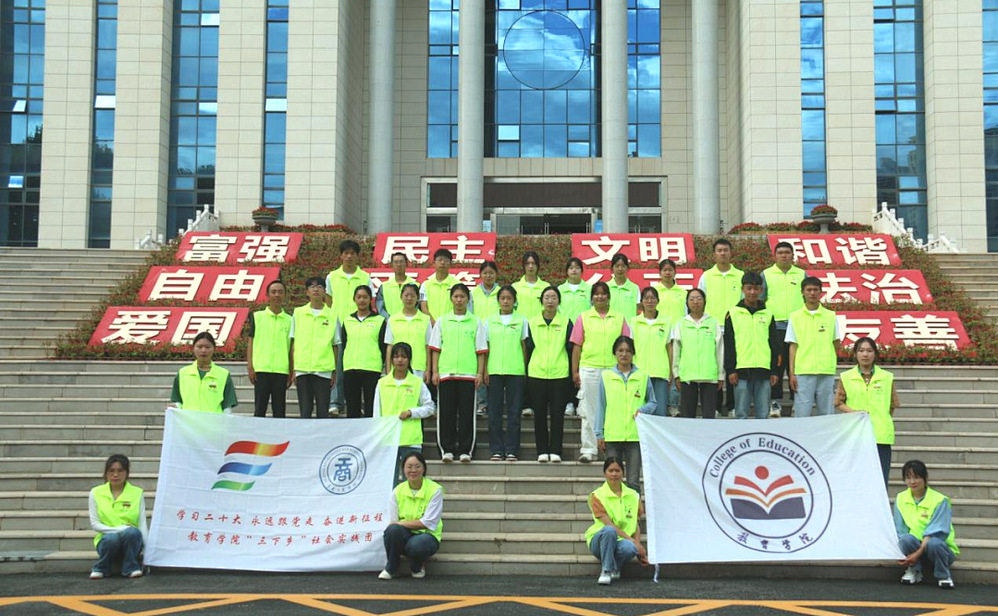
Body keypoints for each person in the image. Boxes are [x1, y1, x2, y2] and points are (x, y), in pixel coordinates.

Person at [570, 282, 631, 463]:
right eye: (596, 294)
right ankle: (589, 449)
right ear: (591, 298)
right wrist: (575, 371)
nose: (600, 297)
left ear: (608, 297)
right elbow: (577, 346)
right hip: (589, 368)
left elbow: (627, 345)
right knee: (589, 410)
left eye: (603, 293)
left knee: (614, 410)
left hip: (614, 370)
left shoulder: (619, 318)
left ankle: (612, 449)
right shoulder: (583, 317)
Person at [429, 284, 487, 463]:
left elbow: (481, 350)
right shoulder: (442, 321)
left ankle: (465, 450)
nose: (459, 300)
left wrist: (479, 373)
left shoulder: (476, 322)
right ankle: (446, 449)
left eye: (462, 297)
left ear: (468, 299)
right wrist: (435, 371)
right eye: (456, 296)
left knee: (467, 415)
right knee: (446, 414)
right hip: (446, 374)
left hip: (468, 375)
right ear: (451, 299)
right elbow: (435, 349)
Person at [835, 337, 899, 486]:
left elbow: (892, 405)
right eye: (861, 350)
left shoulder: (886, 377)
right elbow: (838, 402)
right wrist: (855, 413)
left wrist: (881, 420)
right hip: (856, 436)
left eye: (869, 351)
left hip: (881, 437)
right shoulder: (846, 377)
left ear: (875, 353)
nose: (865, 354)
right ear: (855, 354)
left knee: (880, 480)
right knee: (857, 479)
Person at [595, 336, 656, 491]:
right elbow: (601, 405)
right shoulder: (606, 376)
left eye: (628, 351)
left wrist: (643, 410)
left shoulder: (643, 376)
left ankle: (635, 508)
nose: (624, 354)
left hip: (635, 436)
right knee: (613, 480)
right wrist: (599, 433)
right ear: (615, 353)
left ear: (633, 353)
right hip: (612, 435)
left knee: (633, 482)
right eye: (620, 350)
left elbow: (653, 402)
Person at [374, 343, 436, 485]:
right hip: (389, 440)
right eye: (396, 357)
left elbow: (430, 407)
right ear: (391, 360)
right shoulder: (382, 383)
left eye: (404, 356)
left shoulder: (417, 382)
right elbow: (377, 414)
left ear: (409, 359)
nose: (400, 360)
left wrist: (412, 412)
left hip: (411, 440)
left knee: (413, 481)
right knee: (390, 482)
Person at [723, 272, 780, 420]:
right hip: (741, 370)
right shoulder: (733, 314)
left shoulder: (768, 314)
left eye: (756, 289)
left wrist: (774, 370)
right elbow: (729, 344)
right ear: (742, 289)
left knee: (763, 414)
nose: (752, 292)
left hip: (764, 370)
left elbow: (774, 344)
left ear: (761, 290)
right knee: (741, 413)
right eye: (749, 288)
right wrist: (731, 370)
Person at [379, 451, 443, 580]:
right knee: (392, 531)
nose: (413, 470)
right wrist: (397, 525)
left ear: (424, 468)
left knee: (416, 544)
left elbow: (428, 523)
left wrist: (400, 524)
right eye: (409, 467)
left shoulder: (435, 490)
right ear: (403, 469)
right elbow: (393, 521)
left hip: (427, 535)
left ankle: (417, 567)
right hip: (405, 534)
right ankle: (391, 568)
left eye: (417, 466)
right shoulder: (398, 490)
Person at [895, 460, 959, 588]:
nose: (912, 482)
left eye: (916, 477)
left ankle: (943, 575)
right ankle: (914, 570)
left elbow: (935, 533)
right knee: (905, 539)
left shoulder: (940, 500)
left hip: (939, 551)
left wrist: (916, 554)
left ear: (925, 478)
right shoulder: (901, 498)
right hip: (914, 548)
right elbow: (900, 529)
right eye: (908, 478)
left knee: (934, 543)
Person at [585, 457, 648, 586]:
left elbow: (635, 523)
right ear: (605, 473)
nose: (614, 474)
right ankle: (606, 571)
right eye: (611, 470)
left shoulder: (633, 495)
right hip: (601, 540)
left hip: (621, 541)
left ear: (623, 473)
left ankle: (615, 568)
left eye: (617, 470)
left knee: (631, 548)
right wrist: (632, 540)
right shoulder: (597, 495)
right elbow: (609, 524)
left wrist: (637, 543)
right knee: (609, 531)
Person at [526, 286, 572, 463]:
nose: (550, 301)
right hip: (536, 373)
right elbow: (528, 348)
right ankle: (542, 451)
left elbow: (570, 348)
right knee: (539, 415)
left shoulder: (566, 322)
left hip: (559, 374)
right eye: (547, 297)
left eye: (554, 297)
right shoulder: (532, 323)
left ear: (559, 301)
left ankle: (556, 451)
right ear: (541, 301)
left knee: (557, 415)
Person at [326, 239, 371, 416]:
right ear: (341, 256)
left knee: (357, 364)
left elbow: (369, 299)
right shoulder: (332, 276)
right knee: (337, 364)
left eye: (352, 253)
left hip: (358, 323)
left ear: (357, 256)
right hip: (337, 324)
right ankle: (336, 401)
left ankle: (356, 401)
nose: (349, 256)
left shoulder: (365, 277)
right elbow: (329, 301)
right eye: (346, 253)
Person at [698, 238, 743, 416]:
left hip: (735, 328)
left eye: (725, 250)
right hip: (712, 328)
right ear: (714, 254)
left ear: (731, 253)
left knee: (733, 366)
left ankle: (732, 406)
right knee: (714, 367)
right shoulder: (706, 276)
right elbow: (699, 301)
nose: (723, 253)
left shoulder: (740, 275)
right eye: (719, 250)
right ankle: (715, 406)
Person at [484, 285, 529, 461]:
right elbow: (486, 347)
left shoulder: (521, 320)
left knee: (514, 412)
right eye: (502, 298)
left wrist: (524, 369)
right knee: (494, 413)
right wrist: (484, 369)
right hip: (494, 370)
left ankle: (511, 450)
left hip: (515, 370)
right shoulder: (489, 321)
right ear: (498, 301)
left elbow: (524, 347)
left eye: (509, 298)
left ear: (514, 301)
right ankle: (496, 449)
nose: (505, 301)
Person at [762, 241, 806, 418]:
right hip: (776, 326)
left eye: (787, 252)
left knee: (796, 366)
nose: (784, 255)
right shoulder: (766, 274)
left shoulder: (801, 274)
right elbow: (761, 299)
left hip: (798, 326)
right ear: (775, 256)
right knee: (777, 365)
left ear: (793, 255)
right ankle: (775, 402)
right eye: (780, 253)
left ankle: (797, 402)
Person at [787, 276, 841, 417]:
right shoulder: (795, 317)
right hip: (803, 371)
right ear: (802, 292)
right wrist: (792, 373)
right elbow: (793, 346)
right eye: (809, 290)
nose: (812, 293)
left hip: (826, 371)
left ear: (820, 292)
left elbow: (836, 342)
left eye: (815, 290)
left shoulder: (830, 316)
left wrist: (829, 362)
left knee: (827, 413)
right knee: (802, 412)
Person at [89, 454, 148, 579]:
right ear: (106, 473)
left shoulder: (137, 493)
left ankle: (131, 567)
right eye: (111, 471)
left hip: (131, 540)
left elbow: (142, 523)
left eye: (120, 471)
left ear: (127, 473)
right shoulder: (96, 493)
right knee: (112, 538)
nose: (115, 475)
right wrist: (120, 529)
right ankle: (101, 568)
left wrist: (148, 551)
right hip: (107, 541)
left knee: (132, 532)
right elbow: (95, 524)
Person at [671, 288, 723, 419]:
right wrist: (676, 374)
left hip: (709, 375)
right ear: (687, 303)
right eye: (692, 299)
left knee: (709, 416)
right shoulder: (681, 324)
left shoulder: (713, 322)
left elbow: (719, 350)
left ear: (704, 302)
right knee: (687, 416)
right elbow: (676, 350)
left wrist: (720, 374)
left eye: (699, 299)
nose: (695, 302)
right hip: (688, 375)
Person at [292, 276, 339, 419]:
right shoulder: (298, 313)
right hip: (302, 368)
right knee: (305, 411)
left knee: (323, 412)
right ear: (307, 292)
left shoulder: (332, 315)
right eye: (312, 287)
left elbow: (335, 345)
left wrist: (334, 371)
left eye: (319, 286)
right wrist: (293, 368)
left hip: (324, 369)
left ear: (325, 291)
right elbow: (293, 342)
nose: (316, 290)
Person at [246, 280, 293, 418]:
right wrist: (250, 366)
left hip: (281, 370)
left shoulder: (290, 320)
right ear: (267, 295)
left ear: (285, 295)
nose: (277, 295)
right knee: (260, 409)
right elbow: (251, 342)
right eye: (273, 292)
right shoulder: (257, 317)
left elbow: (292, 347)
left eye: (280, 292)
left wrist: (291, 370)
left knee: (279, 411)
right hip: (261, 369)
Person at [340, 285, 387, 418]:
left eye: (365, 297)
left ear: (370, 299)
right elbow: (344, 343)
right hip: (351, 368)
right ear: (354, 299)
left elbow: (383, 346)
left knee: (371, 408)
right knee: (352, 408)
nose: (362, 300)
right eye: (359, 297)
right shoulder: (347, 320)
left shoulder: (379, 321)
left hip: (371, 369)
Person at [513, 251, 547, 419]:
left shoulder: (545, 287)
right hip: (521, 332)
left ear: (538, 266)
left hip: (541, 331)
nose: (531, 266)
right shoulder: (516, 287)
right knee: (524, 367)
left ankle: (538, 403)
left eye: (534, 263)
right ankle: (525, 404)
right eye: (528, 263)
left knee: (538, 368)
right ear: (524, 266)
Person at [169, 331, 237, 413]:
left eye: (208, 347)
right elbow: (178, 402)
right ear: (193, 348)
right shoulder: (183, 373)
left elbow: (227, 407)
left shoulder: (223, 374)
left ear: (214, 349)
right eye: (199, 347)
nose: (203, 350)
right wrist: (174, 408)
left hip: (213, 421)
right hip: (188, 421)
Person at [631, 287, 673, 417]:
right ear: (641, 302)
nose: (650, 301)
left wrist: (671, 371)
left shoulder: (666, 321)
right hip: (640, 372)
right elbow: (630, 348)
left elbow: (669, 348)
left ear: (658, 301)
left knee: (660, 411)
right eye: (646, 298)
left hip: (660, 372)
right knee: (641, 412)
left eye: (653, 298)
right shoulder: (634, 322)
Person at [557, 257, 590, 417]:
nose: (574, 270)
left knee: (582, 369)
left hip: (586, 333)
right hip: (565, 333)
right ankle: (569, 402)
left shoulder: (589, 289)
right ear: (567, 271)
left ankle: (581, 402)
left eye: (577, 267)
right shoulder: (560, 290)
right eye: (571, 268)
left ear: (582, 271)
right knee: (569, 369)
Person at [384, 283, 432, 382]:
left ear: (418, 298)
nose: (409, 298)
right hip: (397, 367)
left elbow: (428, 347)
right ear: (401, 297)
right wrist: (388, 371)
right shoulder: (393, 319)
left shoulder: (425, 320)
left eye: (413, 296)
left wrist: (428, 369)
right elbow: (389, 347)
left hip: (418, 367)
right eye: (406, 295)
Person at [472, 261, 501, 416]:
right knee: (480, 367)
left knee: (493, 367)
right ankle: (482, 403)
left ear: (496, 274)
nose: (488, 276)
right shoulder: (473, 293)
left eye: (491, 273)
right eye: (485, 273)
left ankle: (495, 403)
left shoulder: (502, 292)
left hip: (498, 334)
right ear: (480, 275)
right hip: (478, 335)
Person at [420, 248, 462, 323]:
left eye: (446, 260)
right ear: (434, 263)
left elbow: (461, 306)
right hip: (431, 325)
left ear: (450, 264)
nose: (442, 263)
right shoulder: (426, 285)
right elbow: (424, 308)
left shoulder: (457, 284)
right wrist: (433, 324)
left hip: (451, 324)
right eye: (440, 260)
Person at [376, 252, 416, 318]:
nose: (399, 264)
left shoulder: (415, 285)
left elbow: (418, 306)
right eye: (396, 262)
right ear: (391, 265)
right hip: (389, 322)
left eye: (401, 262)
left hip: (410, 322)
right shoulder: (384, 287)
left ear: (406, 264)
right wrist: (389, 320)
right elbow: (380, 307)